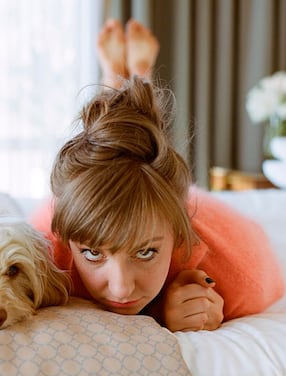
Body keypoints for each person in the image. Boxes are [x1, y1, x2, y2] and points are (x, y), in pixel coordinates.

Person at [31, 19, 285, 332]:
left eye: (146, 251)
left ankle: (130, 84)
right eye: (93, 253)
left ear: (178, 236)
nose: (121, 289)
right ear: (67, 240)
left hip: (185, 207)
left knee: (150, 172)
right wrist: (157, 312)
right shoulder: (45, 242)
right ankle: (125, 85)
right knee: (113, 151)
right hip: (109, 193)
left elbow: (274, 279)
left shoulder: (241, 270)